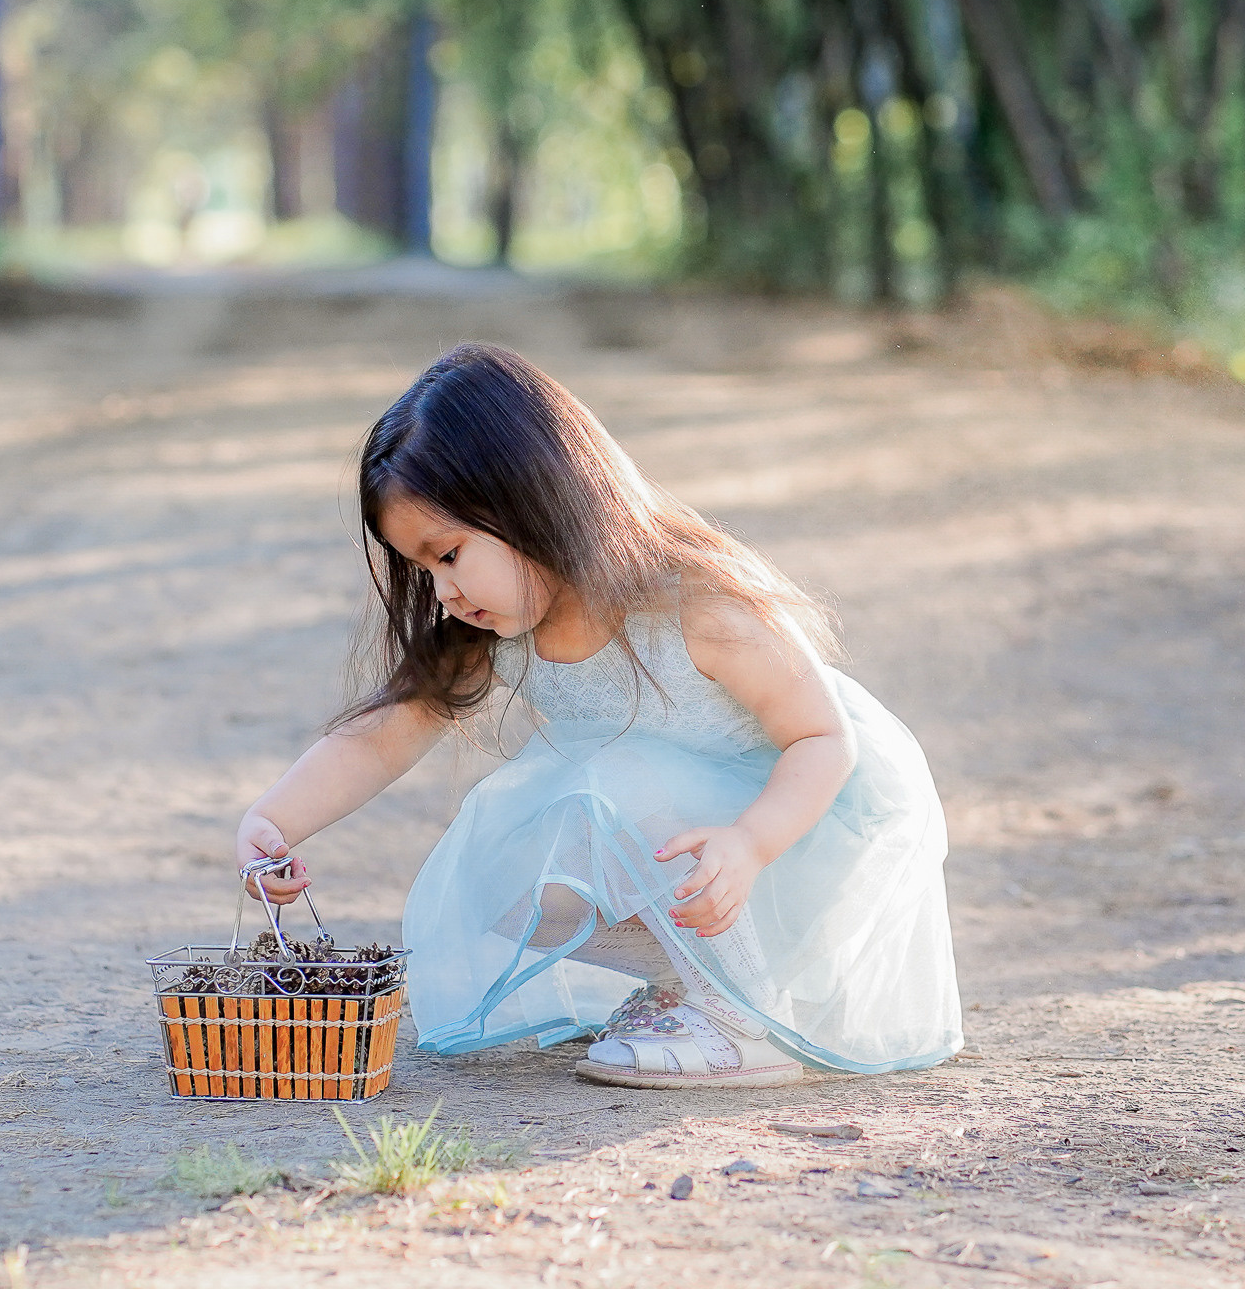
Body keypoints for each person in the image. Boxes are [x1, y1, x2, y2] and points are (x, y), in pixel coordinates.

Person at [234, 343, 960, 1088]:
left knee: (617, 779)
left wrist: (750, 842)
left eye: (448, 554)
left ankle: (749, 1021)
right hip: (696, 859)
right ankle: (690, 987)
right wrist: (274, 821)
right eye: (421, 569)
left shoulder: (698, 604)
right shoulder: (490, 627)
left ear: (531, 500)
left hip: (803, 838)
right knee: (500, 860)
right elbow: (383, 735)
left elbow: (822, 738)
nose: (441, 590)